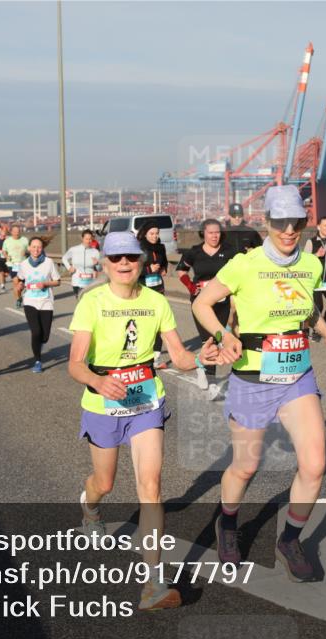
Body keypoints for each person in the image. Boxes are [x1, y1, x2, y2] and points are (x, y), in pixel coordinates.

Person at [192, 185, 326, 582]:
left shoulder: (310, 264)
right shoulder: (244, 265)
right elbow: (202, 303)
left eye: (297, 222)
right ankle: (227, 524)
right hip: (252, 378)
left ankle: (290, 540)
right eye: (280, 222)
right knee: (245, 467)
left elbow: (307, 308)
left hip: (297, 376)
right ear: (266, 222)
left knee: (315, 464)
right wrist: (224, 335)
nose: (289, 230)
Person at [68, 231, 218, 611]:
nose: (124, 264)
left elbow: (179, 355)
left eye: (131, 258)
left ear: (142, 262)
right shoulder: (91, 302)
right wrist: (98, 381)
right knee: (104, 482)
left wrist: (202, 359)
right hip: (103, 403)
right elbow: (76, 364)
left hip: (146, 401)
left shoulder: (156, 301)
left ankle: (153, 583)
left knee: (151, 487)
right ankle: (90, 507)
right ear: (104, 263)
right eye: (116, 258)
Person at [176, 219, 234, 394]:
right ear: (203, 233)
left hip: (222, 301)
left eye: (217, 232)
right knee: (207, 339)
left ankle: (208, 373)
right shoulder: (194, 252)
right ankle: (208, 375)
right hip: (200, 301)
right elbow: (181, 270)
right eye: (211, 233)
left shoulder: (229, 251)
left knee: (216, 338)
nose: (214, 236)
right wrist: (191, 286)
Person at [13, 237, 61, 373]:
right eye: (33, 247)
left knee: (44, 337)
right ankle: (38, 361)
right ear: (29, 248)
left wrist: (45, 283)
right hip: (30, 301)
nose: (36, 249)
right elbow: (20, 280)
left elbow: (58, 281)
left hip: (46, 301)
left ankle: (40, 344)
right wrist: (19, 286)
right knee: (36, 332)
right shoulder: (23, 264)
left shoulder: (49, 262)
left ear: (42, 248)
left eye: (39, 247)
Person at [137, 222, 169, 369]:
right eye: (152, 233)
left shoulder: (161, 247)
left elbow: (165, 262)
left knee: (159, 323)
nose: (155, 236)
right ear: (145, 234)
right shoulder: (139, 248)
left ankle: (156, 358)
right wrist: (149, 269)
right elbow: (133, 269)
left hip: (158, 289)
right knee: (144, 323)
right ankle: (141, 355)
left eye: (157, 233)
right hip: (143, 289)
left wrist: (163, 268)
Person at [62, 230, 101, 299]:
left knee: (89, 301)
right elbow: (64, 258)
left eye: (90, 239)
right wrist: (69, 267)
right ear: (82, 238)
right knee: (81, 300)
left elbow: (99, 268)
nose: (88, 241)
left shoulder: (95, 252)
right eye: (86, 239)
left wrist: (97, 264)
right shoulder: (74, 249)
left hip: (90, 282)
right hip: (77, 281)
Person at [3, 224, 29, 308]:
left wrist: (26, 252)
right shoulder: (7, 241)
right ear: (11, 232)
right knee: (15, 282)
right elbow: (4, 251)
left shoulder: (25, 240)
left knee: (21, 284)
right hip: (12, 264)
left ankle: (21, 293)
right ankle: (18, 299)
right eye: (15, 232)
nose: (16, 233)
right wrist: (6, 256)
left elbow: (30, 250)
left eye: (18, 232)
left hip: (23, 264)